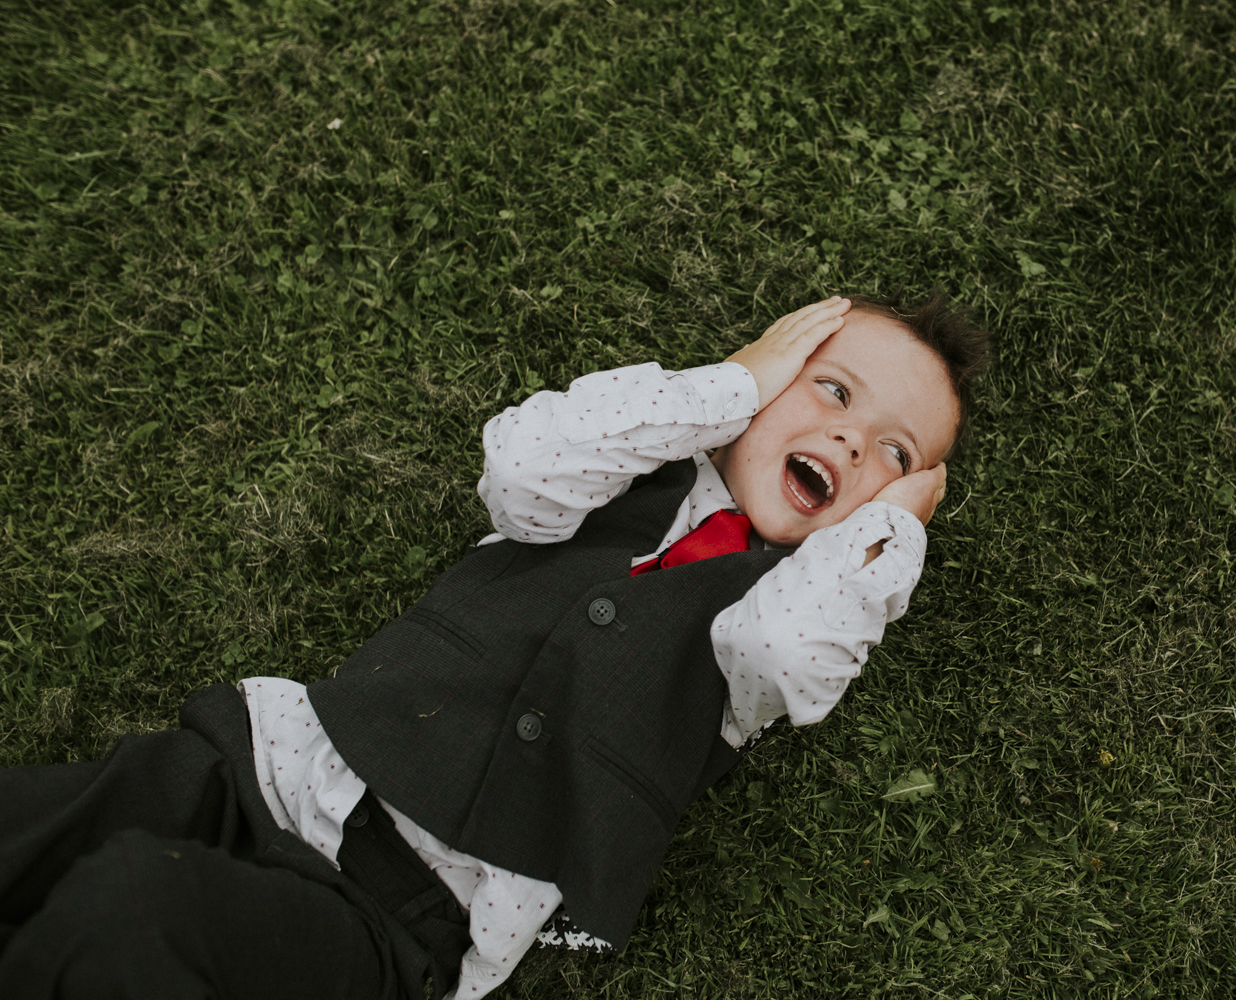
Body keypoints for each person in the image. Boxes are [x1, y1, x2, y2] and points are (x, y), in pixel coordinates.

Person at [0, 292, 990, 999]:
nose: (857, 441)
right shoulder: (620, 472)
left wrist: (895, 528)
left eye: (897, 453)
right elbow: (519, 465)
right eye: (832, 389)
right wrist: (731, 382)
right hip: (257, 763)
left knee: (125, 911)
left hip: (386, 912)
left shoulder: (773, 620)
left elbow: (786, 649)